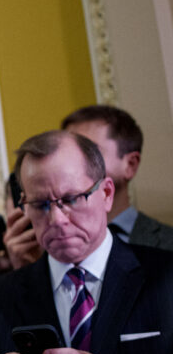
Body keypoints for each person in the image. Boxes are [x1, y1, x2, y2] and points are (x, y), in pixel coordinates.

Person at [0, 130, 173, 354]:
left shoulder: (166, 278)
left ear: (107, 193)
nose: (57, 220)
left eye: (72, 199)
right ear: (23, 205)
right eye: (41, 204)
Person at [62, 104, 173, 250]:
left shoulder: (168, 244)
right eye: (66, 152)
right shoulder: (45, 245)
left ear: (130, 165)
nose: (71, 162)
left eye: (90, 151)